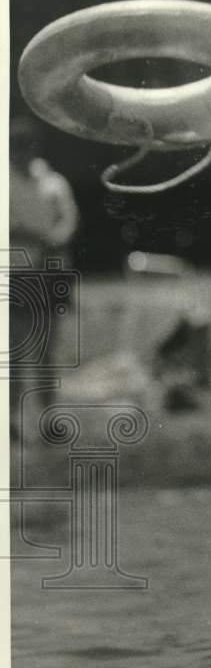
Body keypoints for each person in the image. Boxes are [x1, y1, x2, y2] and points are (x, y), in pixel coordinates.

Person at [9, 116, 79, 439]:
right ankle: (10, 421)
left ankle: (49, 417)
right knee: (11, 350)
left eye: (26, 144)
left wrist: (51, 239)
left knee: (46, 350)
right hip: (15, 274)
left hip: (48, 273)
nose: (21, 150)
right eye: (15, 144)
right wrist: (37, 238)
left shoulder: (53, 182)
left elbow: (67, 223)